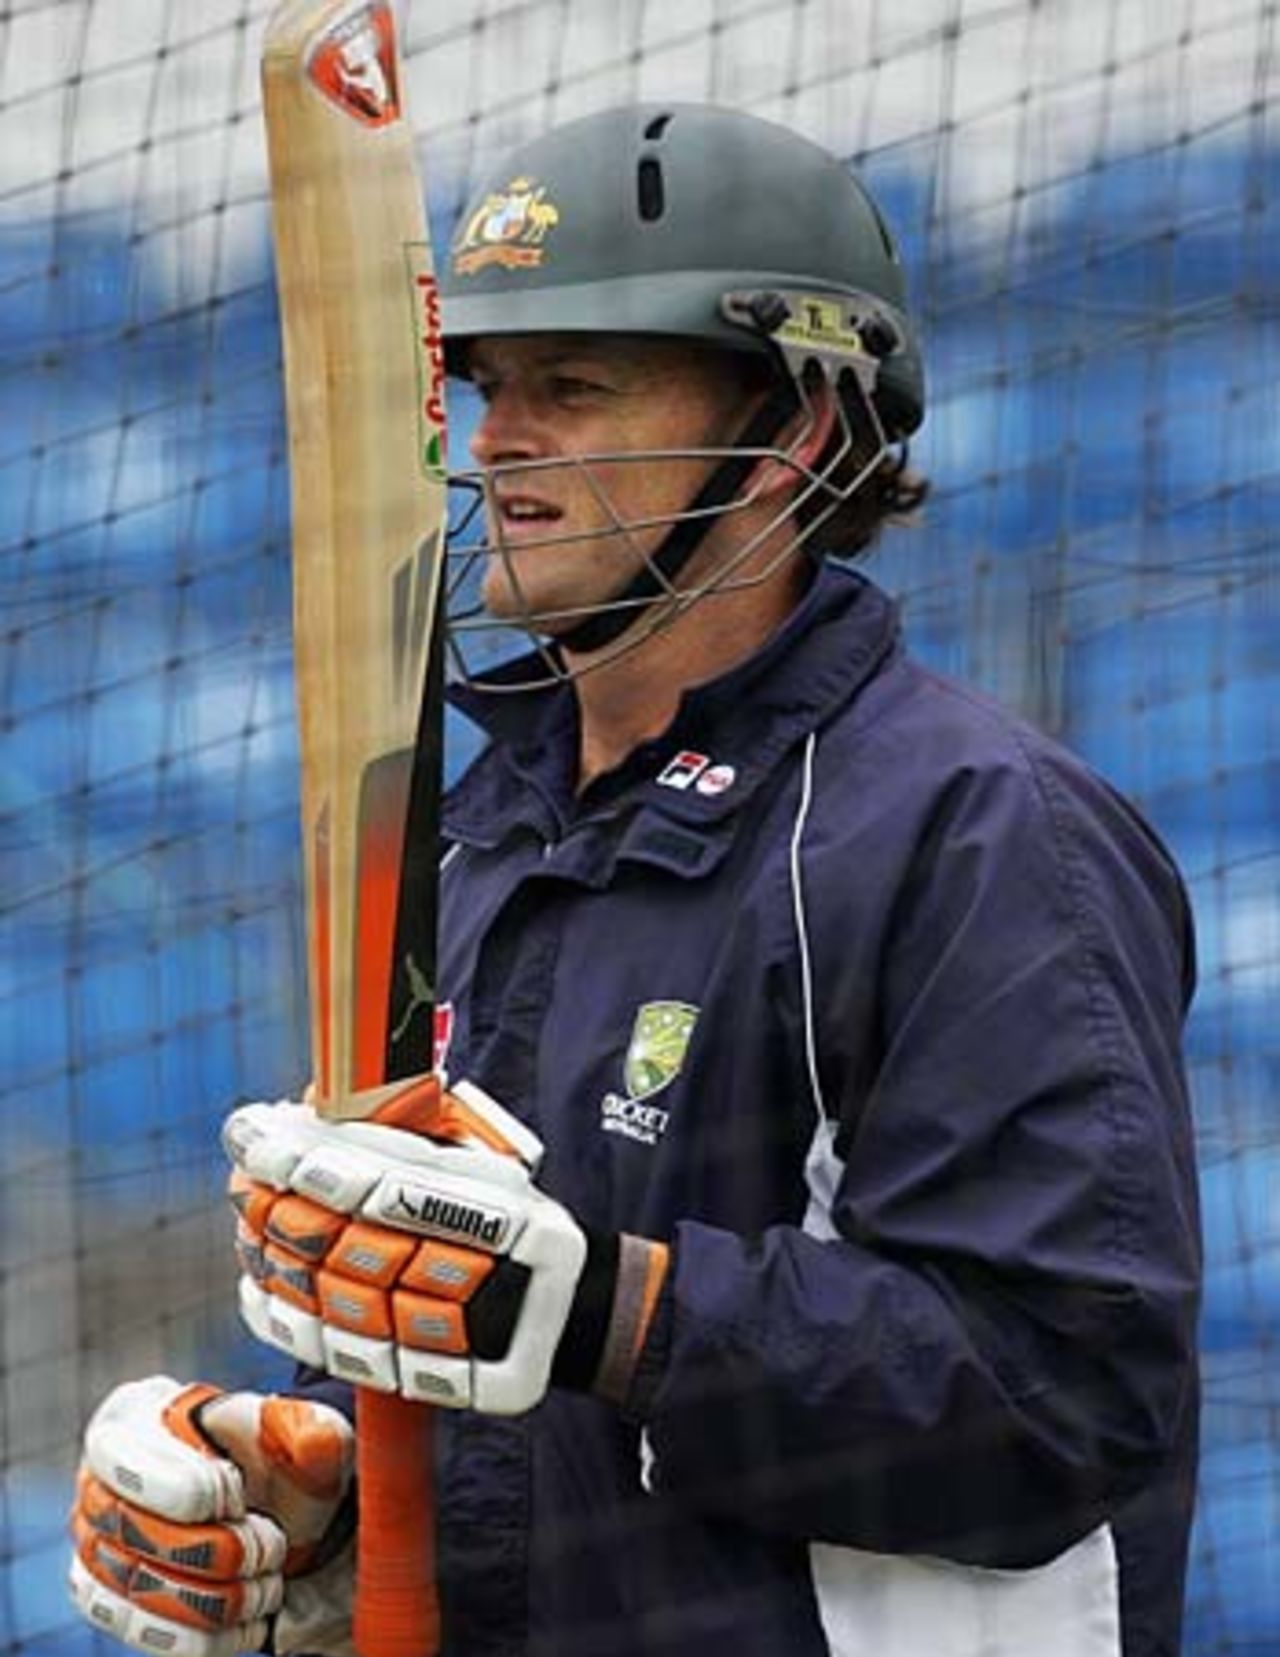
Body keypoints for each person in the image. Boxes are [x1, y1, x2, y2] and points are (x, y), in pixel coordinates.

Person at [69, 104, 1202, 1657]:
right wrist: (313, 1511)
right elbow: (494, 1355)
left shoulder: (980, 830)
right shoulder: (479, 835)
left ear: (797, 426)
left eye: (574, 386)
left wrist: (610, 1307)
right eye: (487, 390)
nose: (494, 443)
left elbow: (1061, 1396)